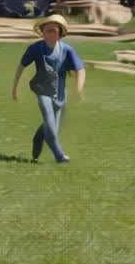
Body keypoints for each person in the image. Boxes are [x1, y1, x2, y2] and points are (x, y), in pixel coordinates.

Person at [11, 14, 85, 163]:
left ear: (60, 33)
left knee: (51, 129)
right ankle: (60, 156)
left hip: (60, 94)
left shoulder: (67, 50)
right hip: (42, 89)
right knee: (50, 124)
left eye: (54, 31)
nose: (51, 34)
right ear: (42, 32)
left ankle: (37, 140)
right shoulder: (35, 48)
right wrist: (15, 88)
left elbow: (80, 69)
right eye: (48, 30)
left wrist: (79, 88)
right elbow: (21, 67)